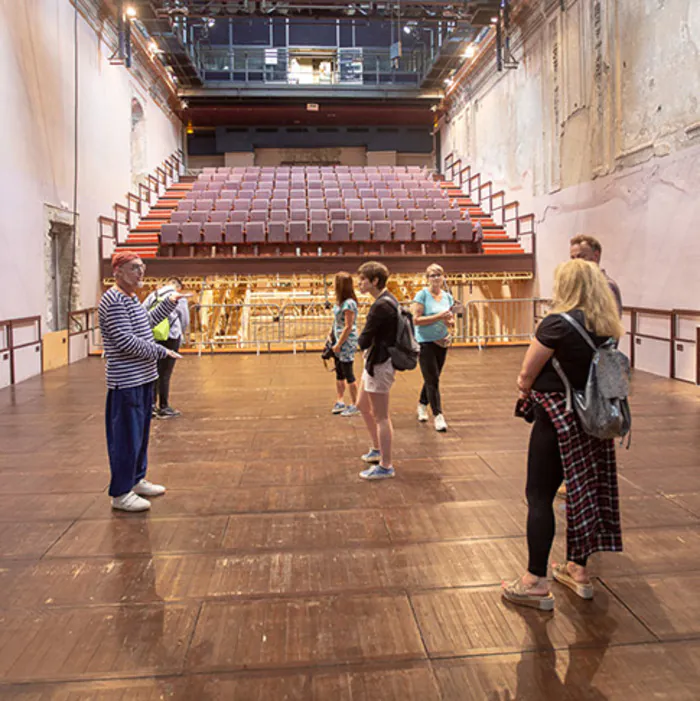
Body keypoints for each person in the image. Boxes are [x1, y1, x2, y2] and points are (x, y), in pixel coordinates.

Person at [502, 259, 625, 610]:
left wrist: (524, 387)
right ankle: (579, 571)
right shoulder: (608, 325)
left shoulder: (557, 323)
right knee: (584, 492)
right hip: (595, 422)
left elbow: (528, 372)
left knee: (539, 495)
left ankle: (535, 581)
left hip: (556, 420)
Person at [98, 252, 186, 512]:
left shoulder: (131, 299)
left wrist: (169, 303)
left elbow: (145, 326)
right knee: (126, 437)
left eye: (142, 267)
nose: (140, 272)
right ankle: (121, 492)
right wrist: (162, 351)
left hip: (143, 377)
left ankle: (136, 479)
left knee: (140, 435)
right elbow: (125, 341)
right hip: (127, 381)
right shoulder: (113, 300)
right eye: (134, 268)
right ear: (118, 272)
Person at [355, 261, 398, 480]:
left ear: (375, 281)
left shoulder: (382, 305)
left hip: (380, 364)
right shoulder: (384, 301)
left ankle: (386, 464)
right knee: (362, 404)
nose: (359, 283)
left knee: (381, 416)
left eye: (363, 279)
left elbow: (365, 337)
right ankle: (377, 447)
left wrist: (345, 345)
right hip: (374, 361)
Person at [412, 263, 455, 432]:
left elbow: (449, 319)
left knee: (433, 376)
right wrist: (439, 316)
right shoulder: (421, 295)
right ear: (427, 278)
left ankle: (422, 404)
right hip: (425, 341)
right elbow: (416, 319)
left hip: (441, 341)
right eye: (432, 275)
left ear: (443, 277)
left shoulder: (447, 297)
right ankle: (438, 415)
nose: (436, 278)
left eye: (438, 275)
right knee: (433, 380)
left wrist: (449, 323)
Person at [144, 277, 190, 419]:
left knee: (153, 371)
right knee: (165, 373)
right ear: (178, 288)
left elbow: (143, 312)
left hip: (154, 336)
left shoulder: (154, 295)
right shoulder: (179, 298)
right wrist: (181, 334)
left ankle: (150, 405)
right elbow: (184, 319)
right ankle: (164, 406)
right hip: (171, 336)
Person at [329, 272, 360, 417]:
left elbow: (348, 326)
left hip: (346, 341)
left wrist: (339, 343)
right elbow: (336, 322)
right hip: (337, 340)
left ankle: (356, 404)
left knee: (348, 373)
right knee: (339, 372)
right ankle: (340, 400)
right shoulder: (339, 302)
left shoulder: (349, 303)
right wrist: (330, 337)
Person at [570, 234, 622, 315]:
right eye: (573, 258)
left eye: (581, 257)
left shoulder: (608, 286)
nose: (575, 262)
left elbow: (611, 323)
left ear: (596, 256)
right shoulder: (574, 285)